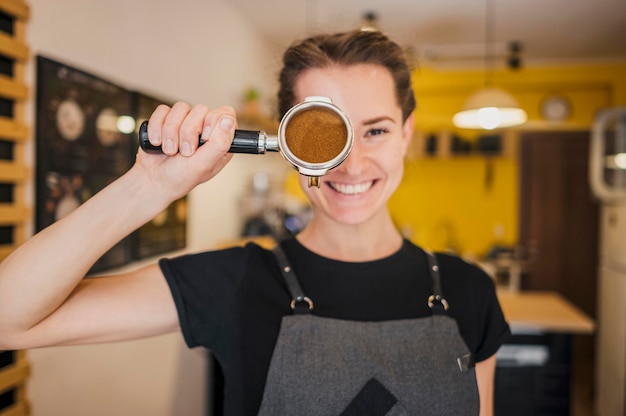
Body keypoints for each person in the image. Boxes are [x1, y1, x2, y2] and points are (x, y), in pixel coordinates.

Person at [0, 29, 510, 415]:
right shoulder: (235, 281)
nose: (351, 164)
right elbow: (8, 319)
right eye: (324, 135)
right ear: (289, 142)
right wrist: (150, 187)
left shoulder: (471, 292)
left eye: (375, 131)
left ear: (407, 134)